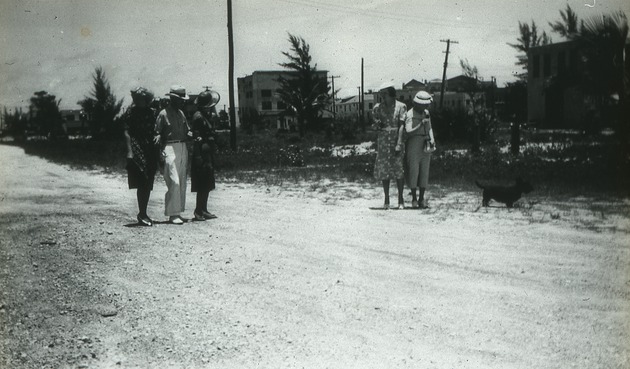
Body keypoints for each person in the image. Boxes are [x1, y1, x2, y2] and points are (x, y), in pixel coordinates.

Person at [154, 85, 192, 224]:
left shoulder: (181, 113)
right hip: (169, 147)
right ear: (172, 99)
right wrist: (158, 141)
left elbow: (187, 130)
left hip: (182, 146)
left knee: (181, 181)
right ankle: (172, 214)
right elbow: (157, 132)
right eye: (180, 99)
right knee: (174, 181)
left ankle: (178, 212)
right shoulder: (163, 114)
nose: (182, 102)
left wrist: (193, 135)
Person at [124, 87, 158, 226]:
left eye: (140, 98)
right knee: (142, 179)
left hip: (150, 147)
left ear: (146, 99)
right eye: (136, 98)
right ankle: (142, 213)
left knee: (148, 180)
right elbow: (126, 132)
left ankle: (143, 213)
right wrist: (130, 151)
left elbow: (157, 129)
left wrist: (158, 136)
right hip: (137, 145)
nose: (137, 101)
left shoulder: (152, 112)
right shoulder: (130, 112)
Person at [372, 83, 407, 209]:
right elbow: (375, 124)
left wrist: (399, 143)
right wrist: (377, 125)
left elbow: (402, 126)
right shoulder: (378, 107)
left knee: (398, 170)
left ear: (392, 95)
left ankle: (401, 199)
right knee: (384, 171)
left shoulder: (401, 107)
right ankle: (386, 198)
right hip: (383, 142)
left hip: (395, 140)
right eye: (381, 93)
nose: (382, 96)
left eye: (385, 94)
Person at [191, 90, 220, 221]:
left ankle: (204, 209)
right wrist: (197, 156)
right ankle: (198, 211)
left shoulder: (206, 116)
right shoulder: (198, 117)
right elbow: (196, 138)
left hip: (207, 153)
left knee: (208, 182)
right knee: (202, 183)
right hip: (201, 154)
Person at [404, 91, 436, 209]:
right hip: (413, 143)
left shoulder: (426, 113)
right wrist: (420, 124)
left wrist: (432, 138)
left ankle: (422, 198)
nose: (426, 107)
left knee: (424, 171)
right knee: (414, 170)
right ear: (417, 104)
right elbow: (408, 131)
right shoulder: (410, 114)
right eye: (424, 104)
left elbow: (430, 128)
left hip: (425, 143)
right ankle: (414, 198)